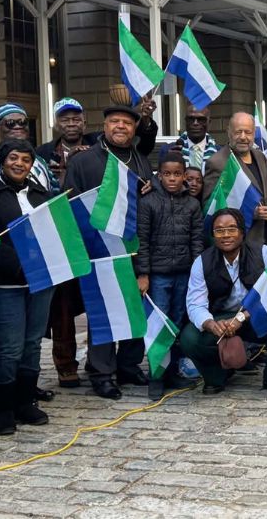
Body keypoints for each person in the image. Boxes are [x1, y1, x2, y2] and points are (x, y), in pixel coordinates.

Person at [63, 104, 155, 400]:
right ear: (104, 126)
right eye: (114, 121)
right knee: (102, 313)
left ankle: (128, 365)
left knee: (133, 306)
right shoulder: (83, 161)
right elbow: (70, 207)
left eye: (127, 124)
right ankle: (101, 373)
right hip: (97, 248)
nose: (120, 127)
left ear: (133, 129)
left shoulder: (140, 161)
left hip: (132, 247)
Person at [179, 209, 267, 396]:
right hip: (221, 317)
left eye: (231, 229)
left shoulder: (263, 252)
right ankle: (217, 375)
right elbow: (195, 304)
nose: (225, 235)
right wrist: (210, 324)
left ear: (242, 232)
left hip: (254, 316)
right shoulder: (201, 262)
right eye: (219, 230)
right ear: (213, 235)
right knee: (190, 337)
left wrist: (242, 318)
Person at [134, 152, 203, 399]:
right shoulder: (149, 202)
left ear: (185, 176)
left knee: (176, 323)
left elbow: (196, 240)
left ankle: (172, 371)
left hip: (184, 274)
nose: (172, 179)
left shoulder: (192, 204)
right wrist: (143, 273)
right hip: (158, 276)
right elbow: (141, 241)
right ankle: (156, 375)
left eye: (177, 174)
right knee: (158, 325)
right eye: (167, 174)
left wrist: (197, 273)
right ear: (159, 175)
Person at [0, 139, 54, 435]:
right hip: (6, 282)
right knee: (9, 347)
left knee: (32, 343)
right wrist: (16, 263)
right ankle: (3, 407)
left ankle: (25, 401)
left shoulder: (42, 195)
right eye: (13, 158)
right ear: (3, 161)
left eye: (26, 160)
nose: (19, 163)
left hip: (42, 280)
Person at [204, 112, 267, 245]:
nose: (243, 137)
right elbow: (211, 208)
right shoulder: (217, 162)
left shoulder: (260, 157)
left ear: (254, 133)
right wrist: (250, 212)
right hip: (238, 244)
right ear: (229, 132)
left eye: (248, 132)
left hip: (266, 239)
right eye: (238, 132)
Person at [36, 98, 98, 186]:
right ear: (56, 126)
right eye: (65, 120)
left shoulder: (97, 145)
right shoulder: (42, 153)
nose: (71, 124)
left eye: (76, 120)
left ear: (84, 124)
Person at [0, 103, 58, 193]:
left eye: (23, 122)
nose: (17, 126)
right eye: (10, 123)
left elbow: (55, 194)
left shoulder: (40, 162)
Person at [161, 105, 219, 170]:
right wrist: (169, 159)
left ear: (209, 123)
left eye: (201, 120)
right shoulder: (168, 150)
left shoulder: (219, 153)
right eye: (191, 119)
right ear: (185, 122)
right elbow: (158, 177)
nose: (195, 123)